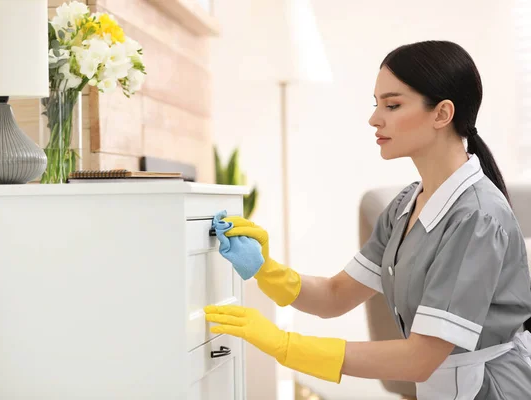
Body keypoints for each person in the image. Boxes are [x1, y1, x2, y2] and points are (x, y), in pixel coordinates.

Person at [204, 40, 531, 399]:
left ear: (442, 114)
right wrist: (266, 268)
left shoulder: (477, 218)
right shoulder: (406, 204)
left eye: (392, 105)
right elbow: (334, 296)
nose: (374, 118)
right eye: (377, 105)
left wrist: (286, 345)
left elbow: (421, 358)